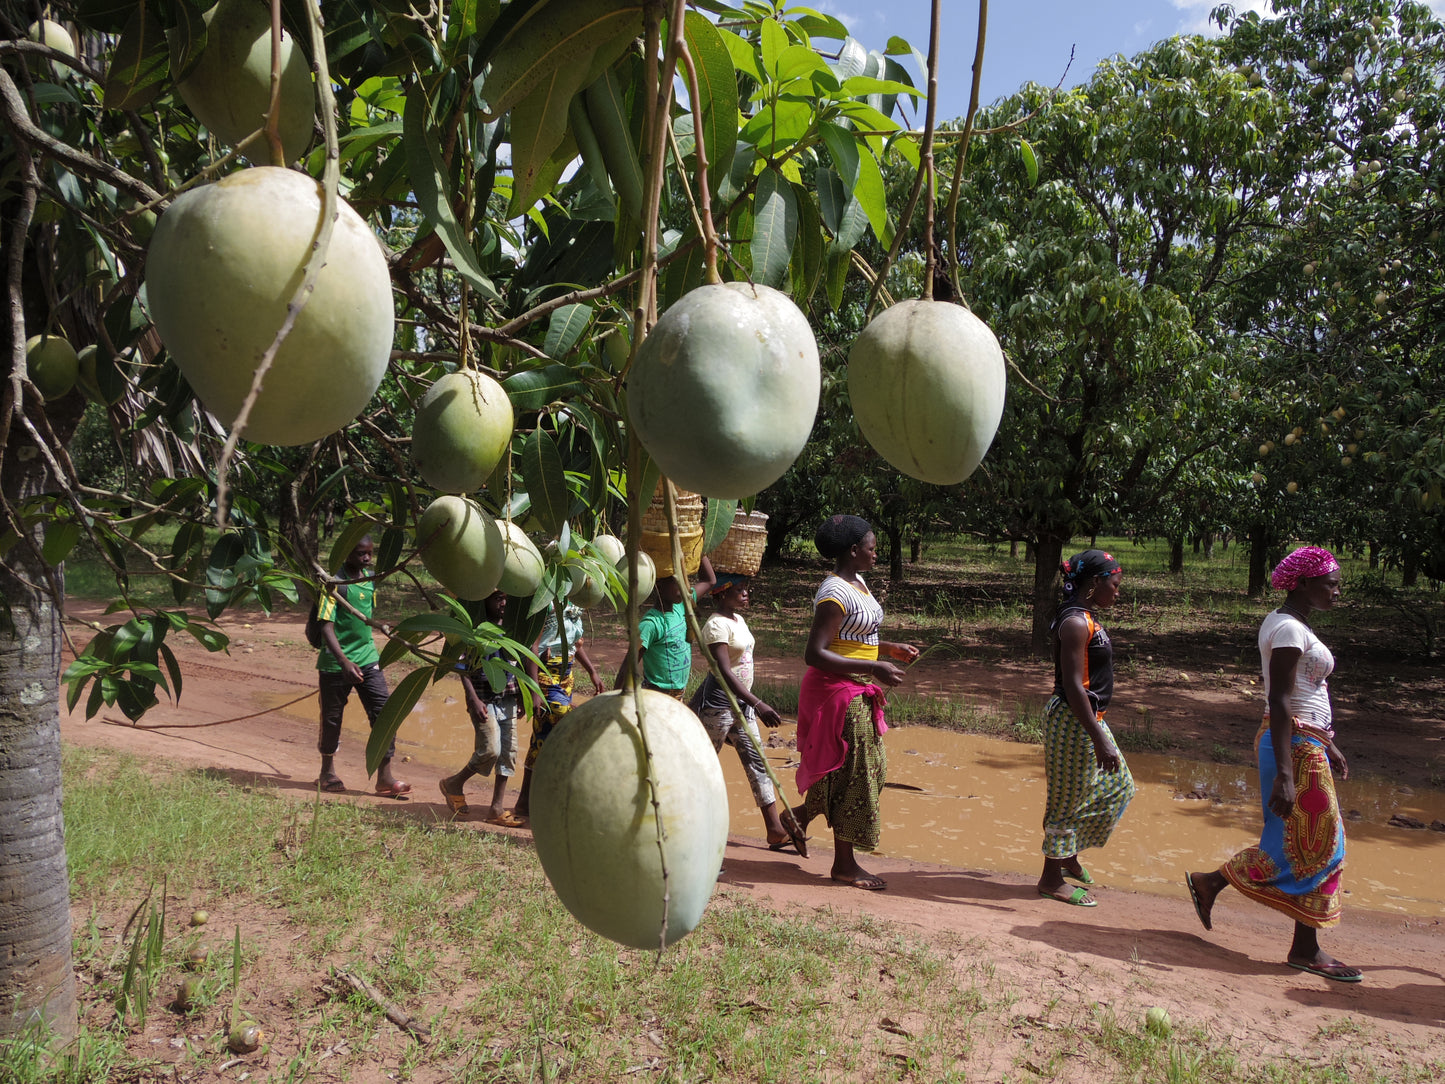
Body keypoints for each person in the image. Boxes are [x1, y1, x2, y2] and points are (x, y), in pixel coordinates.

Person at [1186, 547, 1361, 982]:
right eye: (1331, 583)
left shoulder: (1292, 625)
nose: (1337, 592)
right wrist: (1286, 773)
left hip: (1305, 742)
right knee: (1323, 843)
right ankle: (1305, 949)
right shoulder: (1286, 629)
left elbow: (1302, 699)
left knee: (1303, 843)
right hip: (1294, 748)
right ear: (1303, 583)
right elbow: (1280, 702)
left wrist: (1328, 743)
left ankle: (1213, 884)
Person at [790, 515, 918, 891]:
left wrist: (887, 649)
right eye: (871, 548)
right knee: (858, 772)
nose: (876, 554)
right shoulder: (834, 593)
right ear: (852, 550)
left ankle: (796, 817)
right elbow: (815, 653)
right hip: (836, 691)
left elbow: (853, 638)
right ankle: (844, 865)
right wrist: (874, 665)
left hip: (856, 687)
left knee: (857, 767)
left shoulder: (858, 583)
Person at [1036, 548, 1135, 906]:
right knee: (1067, 799)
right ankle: (1051, 878)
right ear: (1094, 583)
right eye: (1115, 584)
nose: (1117, 591)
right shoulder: (1076, 622)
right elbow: (1075, 686)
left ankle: (1069, 856)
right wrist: (1099, 739)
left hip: (1089, 719)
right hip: (1074, 719)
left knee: (1119, 786)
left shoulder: (1086, 616)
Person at [693, 574, 808, 855]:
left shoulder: (738, 621)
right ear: (721, 594)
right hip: (718, 706)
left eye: (747, 590)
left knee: (758, 764)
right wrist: (758, 703)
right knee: (701, 767)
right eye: (740, 590)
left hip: (741, 707)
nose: (746, 594)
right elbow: (722, 671)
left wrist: (750, 704)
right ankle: (690, 829)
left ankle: (774, 830)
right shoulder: (715, 625)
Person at [315, 535, 410, 798]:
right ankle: (327, 772)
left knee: (384, 712)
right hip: (336, 664)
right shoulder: (333, 584)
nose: (366, 559)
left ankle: (384, 776)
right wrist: (344, 661)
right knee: (332, 718)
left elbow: (364, 617)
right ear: (347, 553)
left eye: (369, 553)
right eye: (360, 554)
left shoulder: (369, 580)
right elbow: (325, 624)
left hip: (368, 658)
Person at [438, 590, 526, 826]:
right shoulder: (474, 631)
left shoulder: (511, 628)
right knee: (489, 750)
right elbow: (461, 665)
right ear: (483, 600)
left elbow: (518, 663)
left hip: (507, 698)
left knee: (509, 754)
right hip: (483, 699)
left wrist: (522, 697)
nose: (504, 603)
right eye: (497, 598)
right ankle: (454, 783)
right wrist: (473, 699)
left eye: (507, 598)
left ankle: (496, 808)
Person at [513, 600, 603, 820]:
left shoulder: (573, 603)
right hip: (544, 675)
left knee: (542, 739)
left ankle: (525, 802)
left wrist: (592, 671)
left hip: (566, 677)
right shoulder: (546, 603)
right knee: (572, 724)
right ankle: (562, 800)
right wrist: (534, 689)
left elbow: (574, 645)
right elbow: (533, 647)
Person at [618, 554, 716, 698]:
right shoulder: (651, 624)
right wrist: (615, 699)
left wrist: (700, 549)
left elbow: (710, 580)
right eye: (677, 582)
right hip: (656, 695)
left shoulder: (684, 606)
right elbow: (629, 664)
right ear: (658, 585)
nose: (682, 587)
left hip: (679, 695)